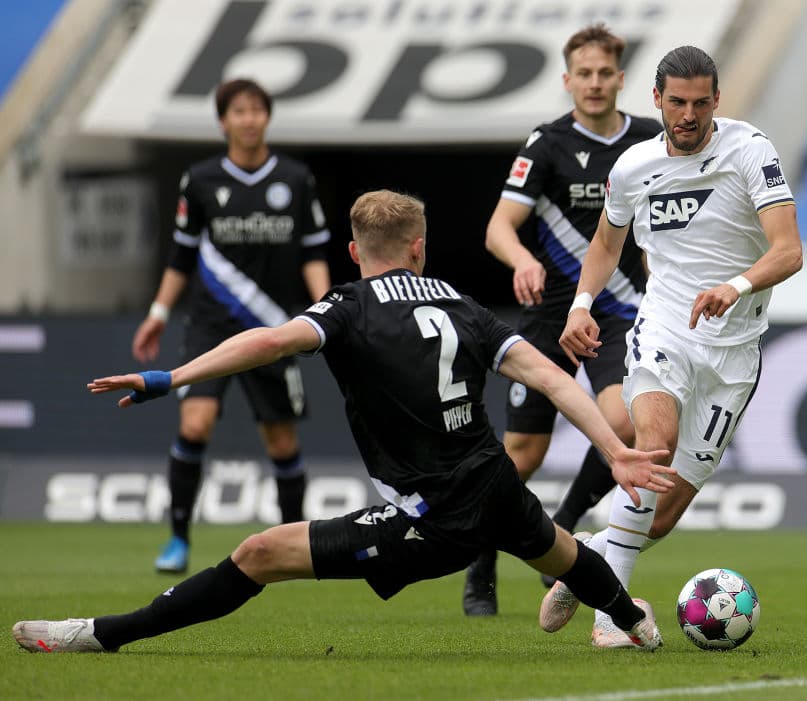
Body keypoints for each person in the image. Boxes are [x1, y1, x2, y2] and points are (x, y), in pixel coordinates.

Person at [12, 190, 675, 655]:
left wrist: (170, 377)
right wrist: (614, 450)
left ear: (355, 253)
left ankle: (103, 632)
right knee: (561, 551)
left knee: (257, 553)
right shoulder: (463, 304)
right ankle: (633, 622)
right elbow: (552, 375)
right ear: (420, 247)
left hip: (431, 512)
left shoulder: (347, 306)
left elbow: (268, 342)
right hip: (495, 485)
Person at [544, 45, 803, 648]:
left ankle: (591, 560)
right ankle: (615, 620)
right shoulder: (633, 167)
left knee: (659, 515)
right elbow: (608, 244)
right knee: (651, 450)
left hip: (734, 350)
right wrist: (580, 305)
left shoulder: (748, 151)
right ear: (657, 100)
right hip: (663, 326)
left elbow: (788, 249)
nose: (688, 115)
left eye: (700, 102)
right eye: (677, 102)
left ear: (717, 100)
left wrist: (733, 287)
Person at [463, 23, 663, 616]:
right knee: (521, 452)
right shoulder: (546, 144)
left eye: (606, 73)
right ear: (567, 79)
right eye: (585, 73)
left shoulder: (650, 140)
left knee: (622, 423)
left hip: (622, 312)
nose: (595, 83)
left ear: (621, 79)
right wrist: (522, 258)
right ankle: (481, 564)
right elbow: (498, 228)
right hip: (550, 317)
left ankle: (567, 526)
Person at [131, 78, 332, 574]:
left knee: (281, 441)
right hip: (211, 327)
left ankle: (294, 549)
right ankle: (177, 539)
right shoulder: (199, 181)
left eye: (256, 110)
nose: (248, 119)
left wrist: (326, 308)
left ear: (267, 117)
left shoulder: (295, 178)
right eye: (238, 111)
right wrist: (158, 314)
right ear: (223, 121)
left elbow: (312, 252)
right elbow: (181, 255)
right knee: (193, 423)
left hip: (273, 328)